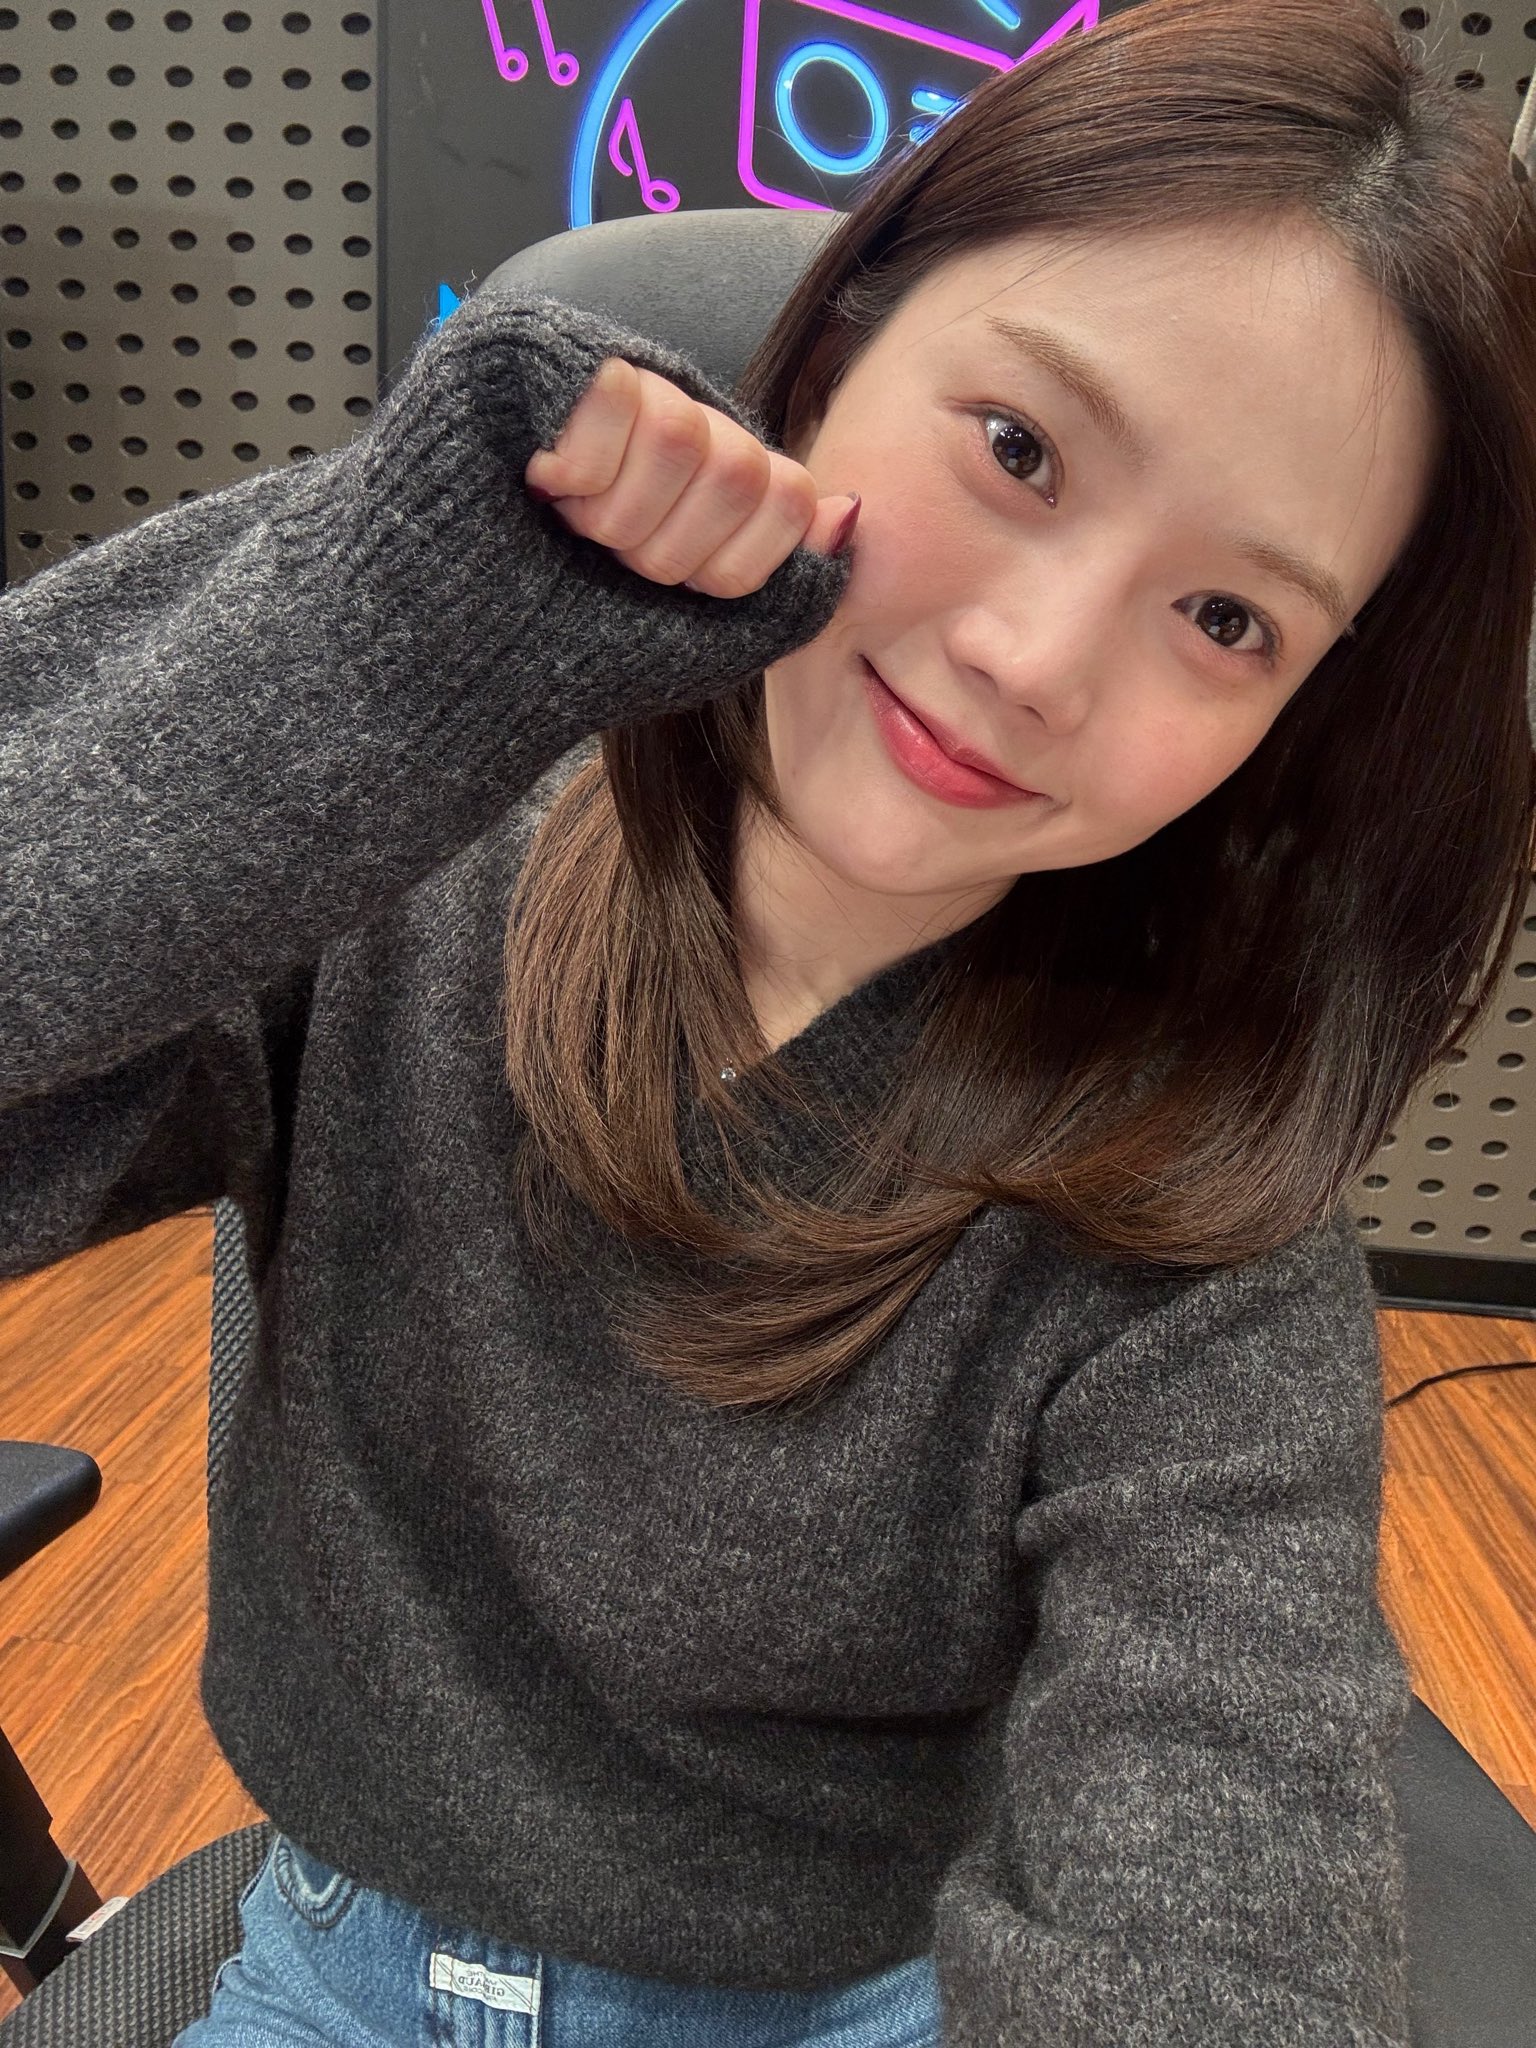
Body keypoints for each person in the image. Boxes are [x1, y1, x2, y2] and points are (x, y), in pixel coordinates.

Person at [4, 0, 1534, 2040]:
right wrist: (348, 647)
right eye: (1018, 449)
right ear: (822, 360)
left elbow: (1223, 1886)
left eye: (1227, 617)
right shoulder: (403, 876)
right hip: (342, 1946)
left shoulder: (1194, 1219)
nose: (1033, 657)